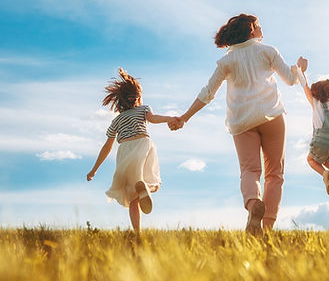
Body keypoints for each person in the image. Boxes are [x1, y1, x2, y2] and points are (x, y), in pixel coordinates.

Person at [169, 14, 302, 235]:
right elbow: (290, 79)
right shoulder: (268, 51)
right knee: (274, 174)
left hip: (242, 121)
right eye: (258, 26)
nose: (261, 30)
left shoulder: (227, 61)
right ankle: (266, 230)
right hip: (272, 117)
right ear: (251, 31)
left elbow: (207, 93)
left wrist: (185, 117)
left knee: (249, 170)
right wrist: (299, 68)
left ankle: (252, 204)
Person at [86, 68, 174, 233]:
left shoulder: (117, 120)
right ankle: (146, 189)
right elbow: (153, 119)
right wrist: (169, 119)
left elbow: (107, 146)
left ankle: (137, 232)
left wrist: (94, 170)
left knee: (131, 197)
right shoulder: (143, 109)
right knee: (154, 181)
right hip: (143, 145)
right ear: (139, 98)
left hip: (125, 153)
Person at [296, 59, 329, 196]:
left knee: (311, 160)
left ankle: (325, 175)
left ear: (315, 94)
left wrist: (300, 70)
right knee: (327, 161)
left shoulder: (316, 104)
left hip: (321, 142)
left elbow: (304, 85)